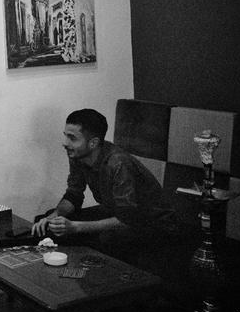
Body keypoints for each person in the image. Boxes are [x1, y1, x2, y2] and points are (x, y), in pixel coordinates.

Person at [30, 109, 181, 259]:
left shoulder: (118, 163)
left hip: (152, 223)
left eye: (72, 138)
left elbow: (128, 219)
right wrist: (54, 217)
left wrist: (75, 227)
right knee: (45, 223)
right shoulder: (77, 154)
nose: (65, 143)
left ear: (93, 143)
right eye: (65, 136)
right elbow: (74, 195)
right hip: (118, 213)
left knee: (108, 238)